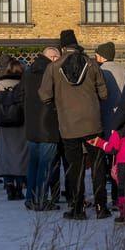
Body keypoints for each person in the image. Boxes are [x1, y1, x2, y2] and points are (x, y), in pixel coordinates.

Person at [39, 30, 109, 220]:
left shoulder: (53, 68)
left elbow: (44, 95)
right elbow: (104, 95)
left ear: (62, 47)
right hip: (93, 124)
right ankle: (102, 207)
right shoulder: (92, 64)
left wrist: (58, 105)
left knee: (74, 167)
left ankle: (78, 208)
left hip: (68, 126)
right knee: (97, 165)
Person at [23, 46, 63, 210]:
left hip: (32, 126)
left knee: (33, 165)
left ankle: (30, 199)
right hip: (49, 125)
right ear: (53, 58)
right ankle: (40, 200)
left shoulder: (27, 73)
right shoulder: (53, 73)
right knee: (45, 166)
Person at [95, 42, 125, 213]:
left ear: (101, 56)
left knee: (105, 158)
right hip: (123, 121)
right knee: (120, 161)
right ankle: (119, 196)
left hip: (105, 118)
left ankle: (105, 196)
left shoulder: (100, 72)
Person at [0, 59, 29, 200]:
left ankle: (9, 185)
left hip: (4, 126)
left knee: (6, 156)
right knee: (21, 157)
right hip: (21, 125)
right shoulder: (24, 85)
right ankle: (19, 188)